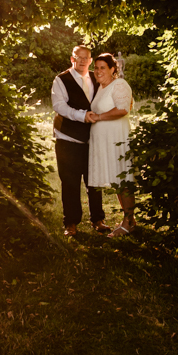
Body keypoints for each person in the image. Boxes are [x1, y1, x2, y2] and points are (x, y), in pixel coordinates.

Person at [51, 45, 112, 237]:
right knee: (70, 182)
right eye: (79, 57)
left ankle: (98, 219)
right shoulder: (61, 80)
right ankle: (71, 223)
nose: (83, 61)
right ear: (72, 59)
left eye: (87, 58)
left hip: (93, 138)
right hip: (68, 138)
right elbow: (59, 106)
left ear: (91, 60)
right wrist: (82, 116)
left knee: (94, 181)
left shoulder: (97, 76)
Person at [88, 53, 137, 237]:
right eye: (96, 68)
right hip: (104, 142)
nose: (98, 71)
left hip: (117, 139)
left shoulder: (119, 84)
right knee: (117, 182)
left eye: (103, 67)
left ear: (112, 69)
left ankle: (127, 222)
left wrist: (99, 117)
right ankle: (130, 221)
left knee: (123, 181)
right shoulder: (101, 88)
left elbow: (123, 108)